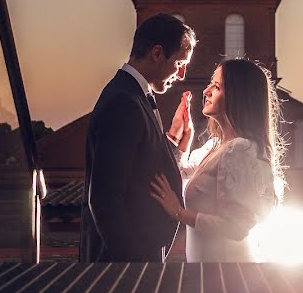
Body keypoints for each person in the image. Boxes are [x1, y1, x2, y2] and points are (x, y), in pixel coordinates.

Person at [79, 14, 196, 262]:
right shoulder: (124, 101)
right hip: (125, 266)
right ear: (157, 53)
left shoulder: (134, 95)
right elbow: (104, 199)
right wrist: (135, 267)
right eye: (179, 63)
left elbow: (140, 166)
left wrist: (174, 141)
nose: (182, 74)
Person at [149, 58, 285, 262]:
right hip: (207, 273)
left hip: (228, 275)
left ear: (238, 97)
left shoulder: (240, 149)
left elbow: (238, 226)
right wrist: (181, 138)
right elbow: (180, 173)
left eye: (217, 86)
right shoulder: (215, 146)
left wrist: (178, 212)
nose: (206, 91)